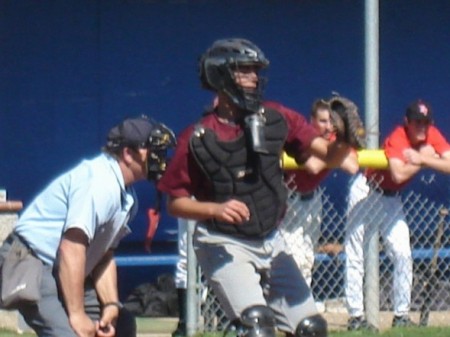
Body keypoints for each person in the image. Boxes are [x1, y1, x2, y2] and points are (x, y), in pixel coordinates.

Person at [157, 37, 359, 337]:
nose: (254, 77)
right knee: (257, 326)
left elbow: (327, 156)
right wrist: (215, 208)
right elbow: (175, 202)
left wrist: (344, 139)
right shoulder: (198, 136)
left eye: (255, 70)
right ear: (221, 76)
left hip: (270, 238)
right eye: (244, 70)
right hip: (222, 241)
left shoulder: (276, 117)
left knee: (310, 328)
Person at [0, 116, 175, 337]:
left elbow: (104, 254)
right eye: (152, 150)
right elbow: (71, 248)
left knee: (122, 325)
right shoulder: (100, 182)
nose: (160, 158)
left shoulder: (125, 194)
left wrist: (111, 304)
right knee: (68, 334)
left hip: (64, 266)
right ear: (128, 154)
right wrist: (77, 314)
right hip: (31, 259)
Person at [344, 99, 450, 330]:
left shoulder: (431, 135)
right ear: (407, 122)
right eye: (417, 122)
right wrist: (426, 160)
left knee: (403, 253)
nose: (422, 126)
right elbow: (399, 173)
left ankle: (401, 315)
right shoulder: (398, 136)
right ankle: (355, 317)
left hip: (391, 198)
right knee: (355, 254)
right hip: (366, 190)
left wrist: (423, 158)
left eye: (425, 122)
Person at [279, 99, 359, 287]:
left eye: (332, 121)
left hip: (312, 200)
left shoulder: (333, 141)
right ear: (312, 120)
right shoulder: (304, 137)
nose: (328, 126)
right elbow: (313, 167)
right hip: (288, 201)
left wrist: (333, 154)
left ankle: (299, 309)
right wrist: (334, 156)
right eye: (323, 121)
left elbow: (353, 165)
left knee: (307, 258)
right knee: (291, 258)